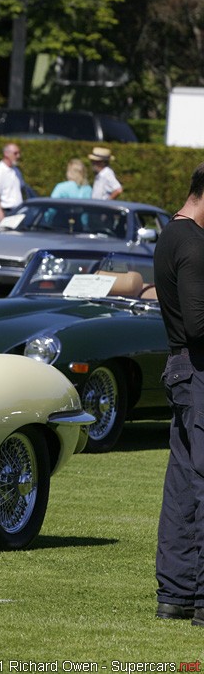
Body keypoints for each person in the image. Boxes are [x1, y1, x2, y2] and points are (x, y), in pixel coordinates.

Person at [152, 161, 204, 628]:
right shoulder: (192, 244)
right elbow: (198, 324)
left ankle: (176, 594)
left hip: (180, 367)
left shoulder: (171, 234)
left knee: (184, 485)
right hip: (197, 368)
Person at [0, 142, 23, 223]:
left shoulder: (16, 171)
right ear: (6, 154)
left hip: (19, 211)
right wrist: (0, 214)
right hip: (7, 212)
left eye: (18, 153)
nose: (18, 156)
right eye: (15, 153)